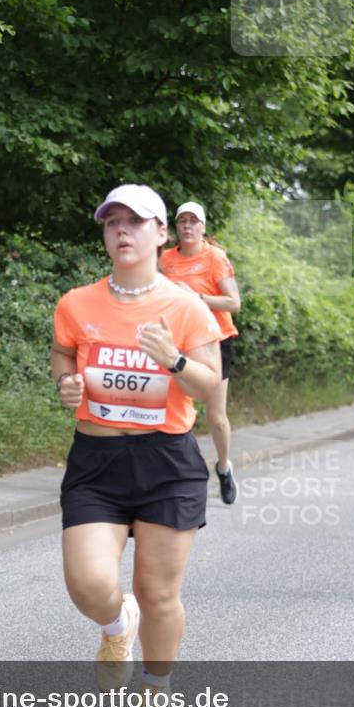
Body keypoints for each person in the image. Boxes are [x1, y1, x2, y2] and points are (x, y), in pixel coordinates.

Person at [51, 184, 221, 707]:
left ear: (161, 233)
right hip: (97, 459)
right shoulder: (78, 303)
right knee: (88, 583)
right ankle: (115, 620)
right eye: (112, 223)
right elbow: (61, 354)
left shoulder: (185, 305)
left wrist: (172, 360)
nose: (122, 231)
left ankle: (156, 690)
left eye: (136, 222)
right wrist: (66, 383)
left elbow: (208, 380)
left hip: (166, 461)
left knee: (159, 591)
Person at [160, 201, 241, 505]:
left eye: (194, 221)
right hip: (180, 342)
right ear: (176, 227)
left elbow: (234, 303)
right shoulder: (166, 259)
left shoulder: (215, 257)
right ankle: (176, 474)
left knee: (215, 416)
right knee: (174, 411)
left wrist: (197, 298)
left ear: (203, 227)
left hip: (216, 341)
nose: (188, 226)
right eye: (182, 221)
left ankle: (223, 467)